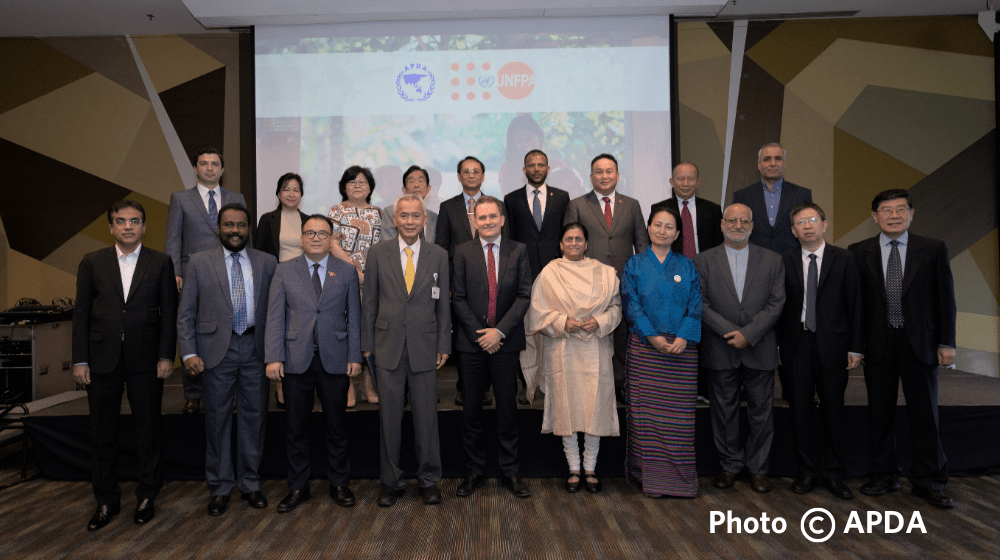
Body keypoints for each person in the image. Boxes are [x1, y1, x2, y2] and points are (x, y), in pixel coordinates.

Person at [72, 200, 177, 531]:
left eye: (135, 221)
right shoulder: (92, 262)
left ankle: (147, 495)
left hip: (146, 360)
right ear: (111, 227)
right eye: (121, 221)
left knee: (148, 431)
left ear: (145, 226)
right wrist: (80, 359)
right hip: (101, 360)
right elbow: (81, 314)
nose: (128, 226)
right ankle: (106, 499)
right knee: (102, 434)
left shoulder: (160, 262)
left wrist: (165, 356)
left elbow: (169, 315)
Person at [848, 189, 957, 509]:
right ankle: (883, 474)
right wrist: (856, 347)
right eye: (886, 210)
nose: (893, 215)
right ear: (874, 217)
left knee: (926, 415)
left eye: (900, 209)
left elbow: (945, 299)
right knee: (879, 414)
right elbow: (856, 306)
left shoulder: (933, 249)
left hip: (920, 344)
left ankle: (929, 481)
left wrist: (946, 342)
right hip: (878, 345)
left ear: (911, 213)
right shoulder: (858, 251)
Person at [177, 204, 277, 515]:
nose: (235, 230)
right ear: (218, 228)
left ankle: (250, 483)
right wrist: (188, 351)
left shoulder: (267, 262)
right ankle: (219, 487)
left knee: (254, 419)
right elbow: (186, 313)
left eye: (241, 226)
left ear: (249, 229)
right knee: (217, 420)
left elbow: (276, 313)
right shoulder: (198, 262)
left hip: (255, 349)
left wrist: (276, 352)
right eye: (229, 225)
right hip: (214, 352)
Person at [265, 215, 362, 513]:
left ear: (331, 238)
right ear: (302, 238)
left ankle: (339, 484)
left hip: (335, 360)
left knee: (337, 426)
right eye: (310, 233)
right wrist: (273, 356)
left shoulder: (346, 271)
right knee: (296, 429)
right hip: (295, 361)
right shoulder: (283, 270)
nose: (316, 238)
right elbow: (275, 316)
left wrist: (354, 356)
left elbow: (355, 318)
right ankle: (297, 487)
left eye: (322, 233)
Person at [363, 194, 451, 508]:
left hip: (426, 346)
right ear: (395, 219)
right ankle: (391, 482)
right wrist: (366, 346)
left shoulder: (438, 254)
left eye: (416, 216)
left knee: (427, 419)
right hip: (386, 347)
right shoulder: (377, 253)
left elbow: (443, 305)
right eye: (405, 216)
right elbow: (369, 303)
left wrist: (444, 344)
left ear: (424, 220)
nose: (410, 221)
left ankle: (429, 480)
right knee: (389, 420)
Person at [522, 223, 622, 494]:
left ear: (587, 244)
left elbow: (616, 308)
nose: (575, 243)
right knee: (566, 409)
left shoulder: (605, 273)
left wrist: (599, 320)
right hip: (562, 348)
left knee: (594, 408)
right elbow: (536, 313)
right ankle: (573, 468)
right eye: (569, 239)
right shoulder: (549, 273)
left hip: (595, 348)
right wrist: (564, 321)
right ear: (561, 245)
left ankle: (590, 468)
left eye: (579, 239)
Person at [692, 203, 785, 494]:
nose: (738, 224)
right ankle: (730, 464)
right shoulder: (702, 260)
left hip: (760, 345)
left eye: (744, 220)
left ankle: (758, 468)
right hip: (721, 346)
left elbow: (777, 302)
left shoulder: (772, 260)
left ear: (752, 226)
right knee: (723, 411)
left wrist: (749, 334)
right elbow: (700, 303)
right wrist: (729, 333)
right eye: (732, 220)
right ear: (721, 224)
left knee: (761, 412)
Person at [451, 196, 532, 499]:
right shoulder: (462, 252)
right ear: (474, 221)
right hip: (471, 345)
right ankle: (475, 471)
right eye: (481, 217)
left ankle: (510, 471)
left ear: (502, 219)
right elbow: (457, 297)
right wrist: (480, 334)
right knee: (471, 410)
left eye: (491, 217)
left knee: (507, 410)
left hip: (506, 343)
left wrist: (498, 333)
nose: (486, 222)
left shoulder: (519, 251)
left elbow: (524, 295)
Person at [620, 206, 702, 499]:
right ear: (649, 229)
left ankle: (679, 481)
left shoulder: (687, 266)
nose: (663, 230)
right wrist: (652, 337)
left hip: (682, 352)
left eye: (669, 227)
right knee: (647, 419)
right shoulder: (634, 265)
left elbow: (695, 305)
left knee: (679, 421)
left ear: (678, 234)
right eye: (658, 225)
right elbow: (631, 305)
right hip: (646, 349)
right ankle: (650, 480)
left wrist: (684, 337)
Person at [165, 147, 248, 414]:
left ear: (222, 170)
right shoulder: (180, 198)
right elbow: (172, 238)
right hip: (193, 275)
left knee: (229, 329)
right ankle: (193, 394)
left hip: (231, 270)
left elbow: (245, 235)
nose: (209, 168)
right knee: (193, 330)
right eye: (204, 163)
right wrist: (174, 271)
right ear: (195, 168)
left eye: (214, 164)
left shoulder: (237, 197)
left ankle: (230, 391)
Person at [564, 153, 649, 402]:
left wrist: (642, 280)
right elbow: (571, 246)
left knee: (622, 333)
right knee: (591, 335)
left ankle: (621, 384)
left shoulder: (631, 205)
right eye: (599, 172)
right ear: (591, 177)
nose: (604, 176)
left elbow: (642, 244)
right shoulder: (577, 205)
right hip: (588, 283)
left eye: (609, 171)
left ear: (618, 175)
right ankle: (592, 387)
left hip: (625, 281)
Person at [650, 162, 723, 404]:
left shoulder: (712, 210)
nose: (684, 183)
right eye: (679, 178)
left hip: (707, 278)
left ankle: (704, 387)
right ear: (671, 182)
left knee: (705, 330)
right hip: (673, 280)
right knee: (678, 330)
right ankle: (679, 388)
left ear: (698, 182)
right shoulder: (660, 209)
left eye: (690, 178)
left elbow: (718, 247)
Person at [436, 156, 506, 406]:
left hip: (492, 277)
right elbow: (442, 248)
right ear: (458, 177)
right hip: (460, 282)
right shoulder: (448, 207)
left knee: (489, 328)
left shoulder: (496, 205)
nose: (471, 175)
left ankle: (485, 388)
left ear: (483, 176)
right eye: (466, 171)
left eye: (476, 171)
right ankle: (464, 386)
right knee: (465, 334)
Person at [255, 172, 309, 409]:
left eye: (296, 189)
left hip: (305, 283)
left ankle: (301, 381)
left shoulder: (308, 220)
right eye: (286, 189)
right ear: (278, 193)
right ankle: (280, 386)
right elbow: (261, 253)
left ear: (301, 195)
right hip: (278, 281)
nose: (291, 193)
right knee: (282, 331)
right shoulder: (267, 219)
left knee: (301, 331)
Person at [328, 165, 381, 406]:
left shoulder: (380, 213)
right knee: (347, 333)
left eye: (362, 181)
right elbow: (332, 243)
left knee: (372, 335)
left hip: (376, 283)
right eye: (352, 181)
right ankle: (348, 385)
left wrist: (369, 277)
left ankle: (368, 384)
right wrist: (355, 272)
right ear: (343, 186)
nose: (357, 185)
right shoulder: (336, 211)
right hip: (345, 279)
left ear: (370, 186)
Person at [730, 143, 812, 255]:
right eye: (767, 159)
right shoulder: (742, 196)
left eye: (778, 158)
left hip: (791, 262)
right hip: (752, 261)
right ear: (759, 164)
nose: (773, 163)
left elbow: (808, 231)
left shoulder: (802, 195)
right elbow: (736, 232)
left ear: (784, 163)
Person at [504, 150, 571, 280]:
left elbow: (566, 233)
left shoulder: (561, 197)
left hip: (556, 267)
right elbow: (509, 237)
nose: (536, 169)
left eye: (541, 165)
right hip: (524, 268)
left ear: (548, 169)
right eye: (531, 165)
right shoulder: (511, 199)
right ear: (524, 170)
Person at [382, 165, 438, 243]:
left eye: (421, 181)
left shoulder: (434, 217)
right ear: (404, 190)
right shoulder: (390, 212)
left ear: (428, 189)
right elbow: (388, 244)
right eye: (411, 181)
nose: (416, 185)